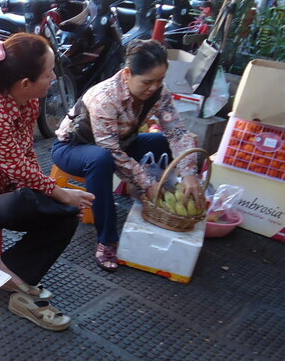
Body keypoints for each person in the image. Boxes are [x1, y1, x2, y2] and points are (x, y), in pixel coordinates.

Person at [0, 33, 94, 332]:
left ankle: (12, 272)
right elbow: (19, 171)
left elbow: (27, 159)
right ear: (25, 83)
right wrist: (60, 193)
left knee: (64, 215)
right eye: (48, 72)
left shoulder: (27, 103)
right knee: (40, 199)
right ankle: (11, 276)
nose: (53, 77)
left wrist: (59, 198)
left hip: (2, 194)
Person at [50, 39, 202, 272]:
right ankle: (106, 239)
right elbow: (109, 149)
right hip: (73, 149)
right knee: (101, 159)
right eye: (148, 82)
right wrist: (145, 181)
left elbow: (177, 132)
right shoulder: (106, 96)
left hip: (120, 144)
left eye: (160, 80)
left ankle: (164, 201)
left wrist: (190, 173)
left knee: (162, 141)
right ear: (128, 73)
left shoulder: (159, 94)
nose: (154, 87)